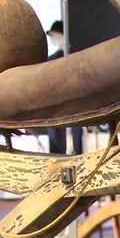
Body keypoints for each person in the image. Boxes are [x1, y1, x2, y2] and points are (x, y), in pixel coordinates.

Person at [45, 20, 76, 154]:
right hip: (55, 108)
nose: (52, 39)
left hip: (74, 108)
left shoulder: (75, 57)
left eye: (54, 35)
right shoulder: (51, 59)